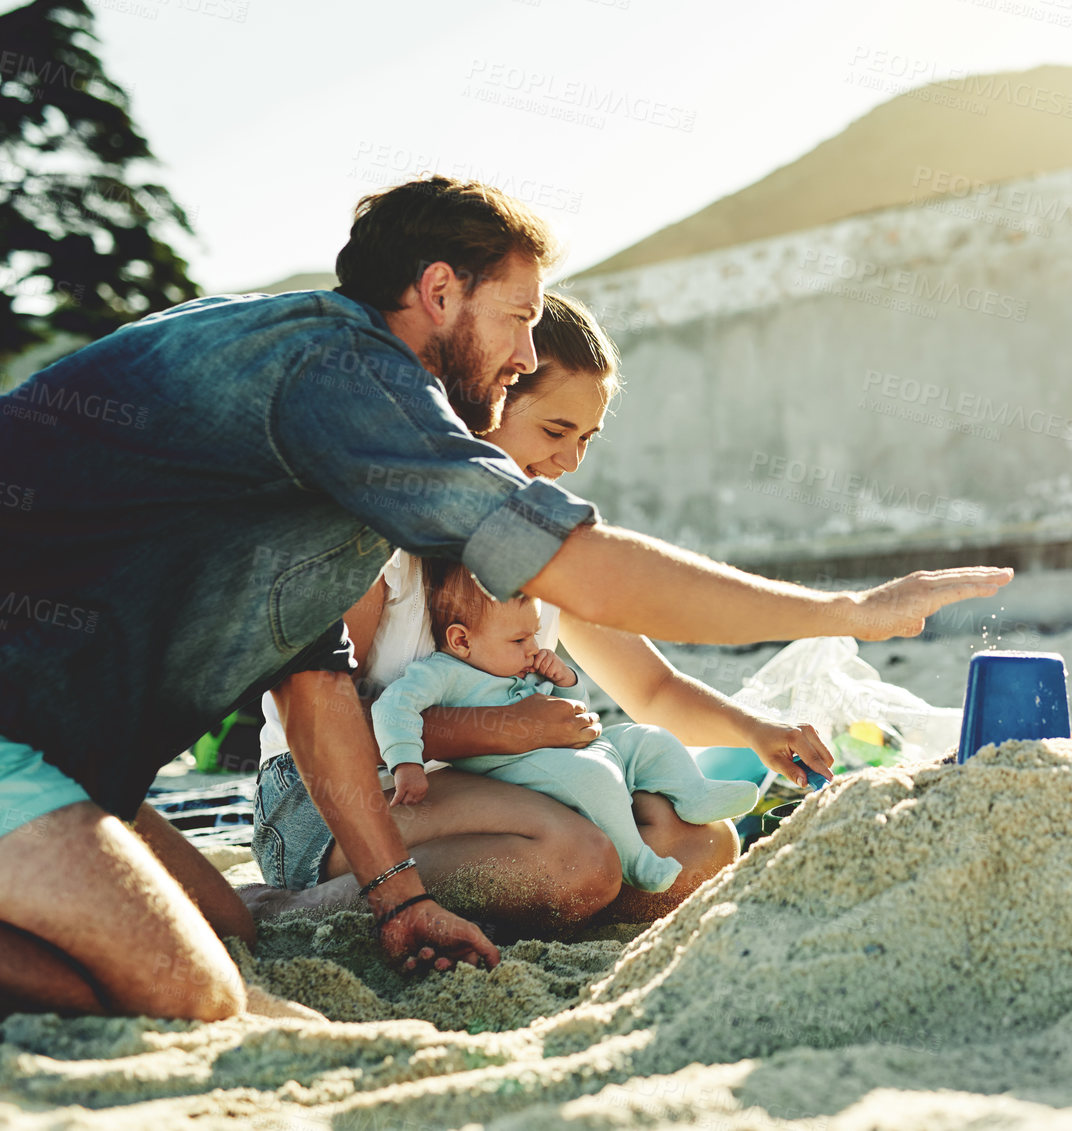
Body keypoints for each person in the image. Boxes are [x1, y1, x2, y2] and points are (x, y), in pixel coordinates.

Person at [0, 175, 1011, 1020]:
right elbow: (576, 564)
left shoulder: (333, 444)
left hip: (66, 757)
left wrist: (398, 903)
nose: (528, 353)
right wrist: (848, 613)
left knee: (222, 935)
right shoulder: (342, 367)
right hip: (20, 734)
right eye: (520, 318)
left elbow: (315, 684)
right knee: (191, 994)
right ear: (439, 291)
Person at [246, 293, 833, 933]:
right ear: (482, 398)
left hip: (495, 784)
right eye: (555, 431)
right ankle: (288, 911)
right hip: (333, 797)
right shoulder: (381, 534)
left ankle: (541, 889)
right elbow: (331, 718)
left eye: (586, 437)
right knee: (572, 861)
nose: (571, 460)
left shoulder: (540, 540)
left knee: (700, 845)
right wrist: (506, 730)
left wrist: (757, 731)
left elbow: (654, 688)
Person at [375, 560, 759, 893]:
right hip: (521, 769)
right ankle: (636, 859)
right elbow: (393, 706)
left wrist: (566, 681)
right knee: (594, 778)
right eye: (519, 639)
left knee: (648, 739)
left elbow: (577, 718)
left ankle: (694, 792)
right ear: (461, 640)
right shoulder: (443, 674)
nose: (533, 648)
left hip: (574, 751)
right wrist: (406, 762)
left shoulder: (520, 666)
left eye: (535, 635)